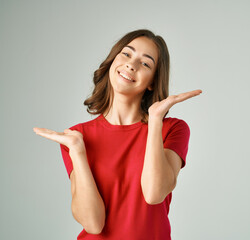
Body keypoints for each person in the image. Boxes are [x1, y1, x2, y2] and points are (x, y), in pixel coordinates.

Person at [33, 29, 202, 239]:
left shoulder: (173, 129)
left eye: (146, 63)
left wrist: (155, 120)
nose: (131, 64)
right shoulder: (77, 137)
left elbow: (154, 193)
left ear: (152, 82)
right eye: (127, 54)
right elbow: (93, 224)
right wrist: (77, 152)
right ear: (113, 61)